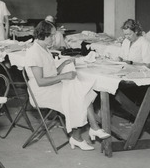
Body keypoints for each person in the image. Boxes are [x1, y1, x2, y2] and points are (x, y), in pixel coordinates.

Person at [24, 21, 109, 151]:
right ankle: (82, 134)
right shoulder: (34, 52)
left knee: (81, 91)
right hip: (41, 92)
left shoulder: (44, 49)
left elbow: (50, 73)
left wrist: (62, 66)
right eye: (52, 35)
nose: (54, 38)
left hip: (51, 86)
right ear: (44, 35)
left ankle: (91, 130)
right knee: (76, 96)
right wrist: (64, 76)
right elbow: (41, 81)